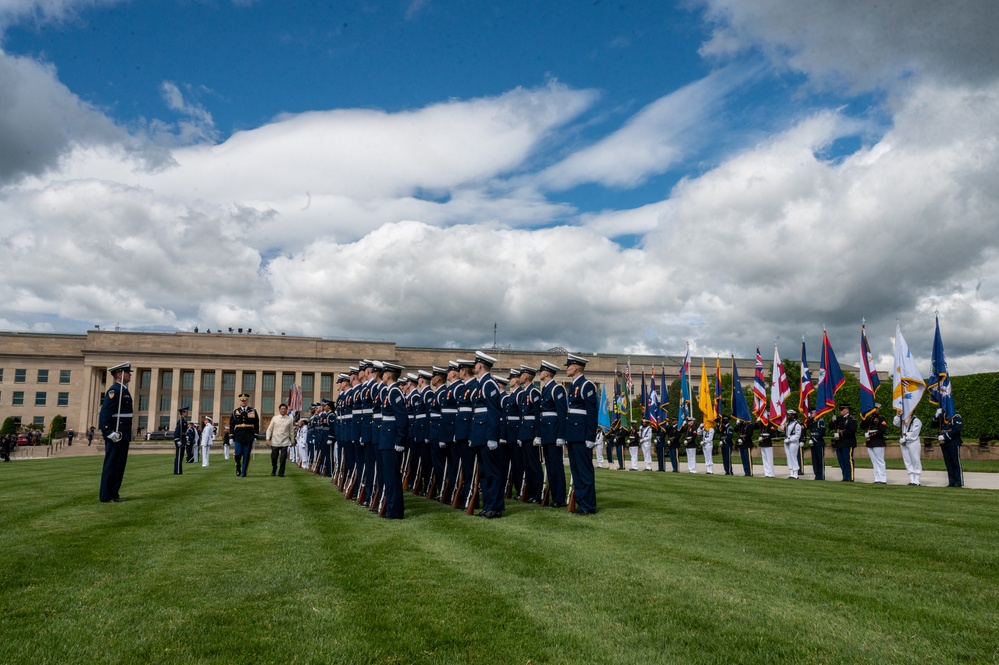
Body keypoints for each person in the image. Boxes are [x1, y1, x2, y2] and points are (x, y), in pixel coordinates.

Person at [470, 351, 504, 518]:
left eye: (475, 363)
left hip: (486, 434)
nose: (474, 366)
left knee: (492, 472)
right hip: (480, 433)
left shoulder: (489, 384)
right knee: (484, 472)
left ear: (480, 365)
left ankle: (495, 507)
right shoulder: (481, 383)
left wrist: (492, 437)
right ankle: (488, 506)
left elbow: (494, 412)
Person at [564, 353, 598, 515]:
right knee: (576, 470)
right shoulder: (573, 386)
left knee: (584, 471)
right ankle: (581, 503)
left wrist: (590, 437)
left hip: (582, 434)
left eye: (569, 365)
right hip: (573, 434)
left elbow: (592, 413)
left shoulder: (586, 385)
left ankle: (588, 505)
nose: (567, 368)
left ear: (576, 366)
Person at [99, 361, 134, 503]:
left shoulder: (124, 390)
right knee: (112, 464)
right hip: (116, 434)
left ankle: (114, 494)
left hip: (123, 434)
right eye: (127, 373)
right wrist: (108, 432)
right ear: (119, 374)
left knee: (119, 465)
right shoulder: (115, 391)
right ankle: (106, 495)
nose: (130, 375)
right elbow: (105, 413)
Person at [378, 362, 409, 519]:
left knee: (392, 477)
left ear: (388, 375)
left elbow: (402, 419)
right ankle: (391, 508)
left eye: (383, 373)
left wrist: (399, 441)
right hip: (386, 438)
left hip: (391, 439)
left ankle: (395, 511)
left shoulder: (394, 392)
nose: (382, 376)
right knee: (388, 477)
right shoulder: (389, 391)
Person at [538, 360, 568, 507]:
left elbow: (562, 414)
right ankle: (554, 497)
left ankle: (559, 498)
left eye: (542, 371)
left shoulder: (557, 389)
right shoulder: (545, 389)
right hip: (546, 432)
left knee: (556, 466)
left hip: (554, 432)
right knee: (549, 466)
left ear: (547, 373)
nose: (540, 373)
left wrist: (561, 435)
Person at [517, 364, 544, 503]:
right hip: (525, 433)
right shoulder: (524, 393)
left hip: (532, 432)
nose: (519, 377)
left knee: (534, 465)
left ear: (526, 376)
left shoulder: (534, 392)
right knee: (527, 465)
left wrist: (538, 435)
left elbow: (538, 415)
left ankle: (538, 494)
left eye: (521, 375)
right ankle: (532, 493)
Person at [230, 392, 259, 477]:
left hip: (249, 435)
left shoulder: (252, 411)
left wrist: (255, 435)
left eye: (245, 401)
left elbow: (256, 423)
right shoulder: (235, 412)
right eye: (242, 401)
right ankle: (238, 466)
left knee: (246, 455)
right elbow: (232, 424)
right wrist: (231, 435)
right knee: (238, 453)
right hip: (238, 435)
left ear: (247, 401)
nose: (243, 402)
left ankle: (243, 472)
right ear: (240, 401)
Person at [861, 404, 888, 484]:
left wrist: (871, 435)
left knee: (880, 460)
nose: (875, 410)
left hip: (878, 441)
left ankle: (882, 479)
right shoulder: (869, 418)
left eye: (876, 409)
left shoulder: (881, 418)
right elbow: (862, 426)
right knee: (874, 461)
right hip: (870, 442)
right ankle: (877, 478)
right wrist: (864, 418)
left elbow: (882, 430)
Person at [937, 409, 964, 487]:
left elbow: (957, 430)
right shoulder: (942, 417)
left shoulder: (956, 417)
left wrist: (945, 436)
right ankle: (951, 482)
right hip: (944, 443)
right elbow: (933, 424)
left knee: (955, 462)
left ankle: (958, 482)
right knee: (948, 463)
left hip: (953, 442)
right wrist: (936, 416)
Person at [266, 403, 295, 477]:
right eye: (282, 409)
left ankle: (281, 473)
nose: (283, 410)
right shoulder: (274, 418)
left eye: (284, 409)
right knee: (274, 457)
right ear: (279, 410)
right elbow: (269, 429)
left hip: (285, 442)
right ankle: (274, 468)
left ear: (286, 410)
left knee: (283, 459)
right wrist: (267, 439)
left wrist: (292, 441)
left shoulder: (290, 419)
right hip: (275, 441)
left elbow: (291, 431)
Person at [832, 403, 858, 482]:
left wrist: (841, 432)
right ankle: (845, 477)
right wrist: (833, 421)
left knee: (848, 460)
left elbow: (852, 430)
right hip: (839, 443)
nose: (840, 411)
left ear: (847, 410)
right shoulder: (839, 419)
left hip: (847, 442)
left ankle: (850, 477)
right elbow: (831, 427)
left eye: (842, 409)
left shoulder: (851, 419)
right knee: (841, 461)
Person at [897, 412, 923, 486]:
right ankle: (912, 479)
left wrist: (906, 438)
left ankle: (917, 480)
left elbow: (914, 433)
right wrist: (897, 415)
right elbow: (895, 422)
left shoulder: (916, 421)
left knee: (915, 459)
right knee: (907, 460)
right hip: (903, 441)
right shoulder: (903, 420)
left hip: (913, 442)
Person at [806, 415, 826, 480]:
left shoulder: (820, 421)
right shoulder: (812, 422)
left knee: (820, 460)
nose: (811, 414)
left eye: (812, 412)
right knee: (814, 460)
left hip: (818, 443)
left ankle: (821, 475)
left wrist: (814, 440)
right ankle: (817, 474)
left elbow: (822, 433)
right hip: (813, 443)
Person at [783, 410, 802, 479]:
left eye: (789, 415)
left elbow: (797, 436)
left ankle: (796, 474)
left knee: (793, 457)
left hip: (793, 442)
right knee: (789, 457)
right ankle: (791, 473)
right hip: (787, 442)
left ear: (793, 415)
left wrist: (790, 439)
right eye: (787, 415)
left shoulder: (797, 424)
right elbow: (780, 430)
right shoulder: (787, 423)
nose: (788, 416)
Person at [172, 406, 189, 475]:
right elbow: (177, 431)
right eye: (186, 412)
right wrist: (177, 440)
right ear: (183, 413)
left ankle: (179, 471)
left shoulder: (184, 421)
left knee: (181, 456)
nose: (187, 413)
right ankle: (177, 471)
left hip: (183, 440)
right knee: (178, 456)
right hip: (180, 440)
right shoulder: (181, 421)